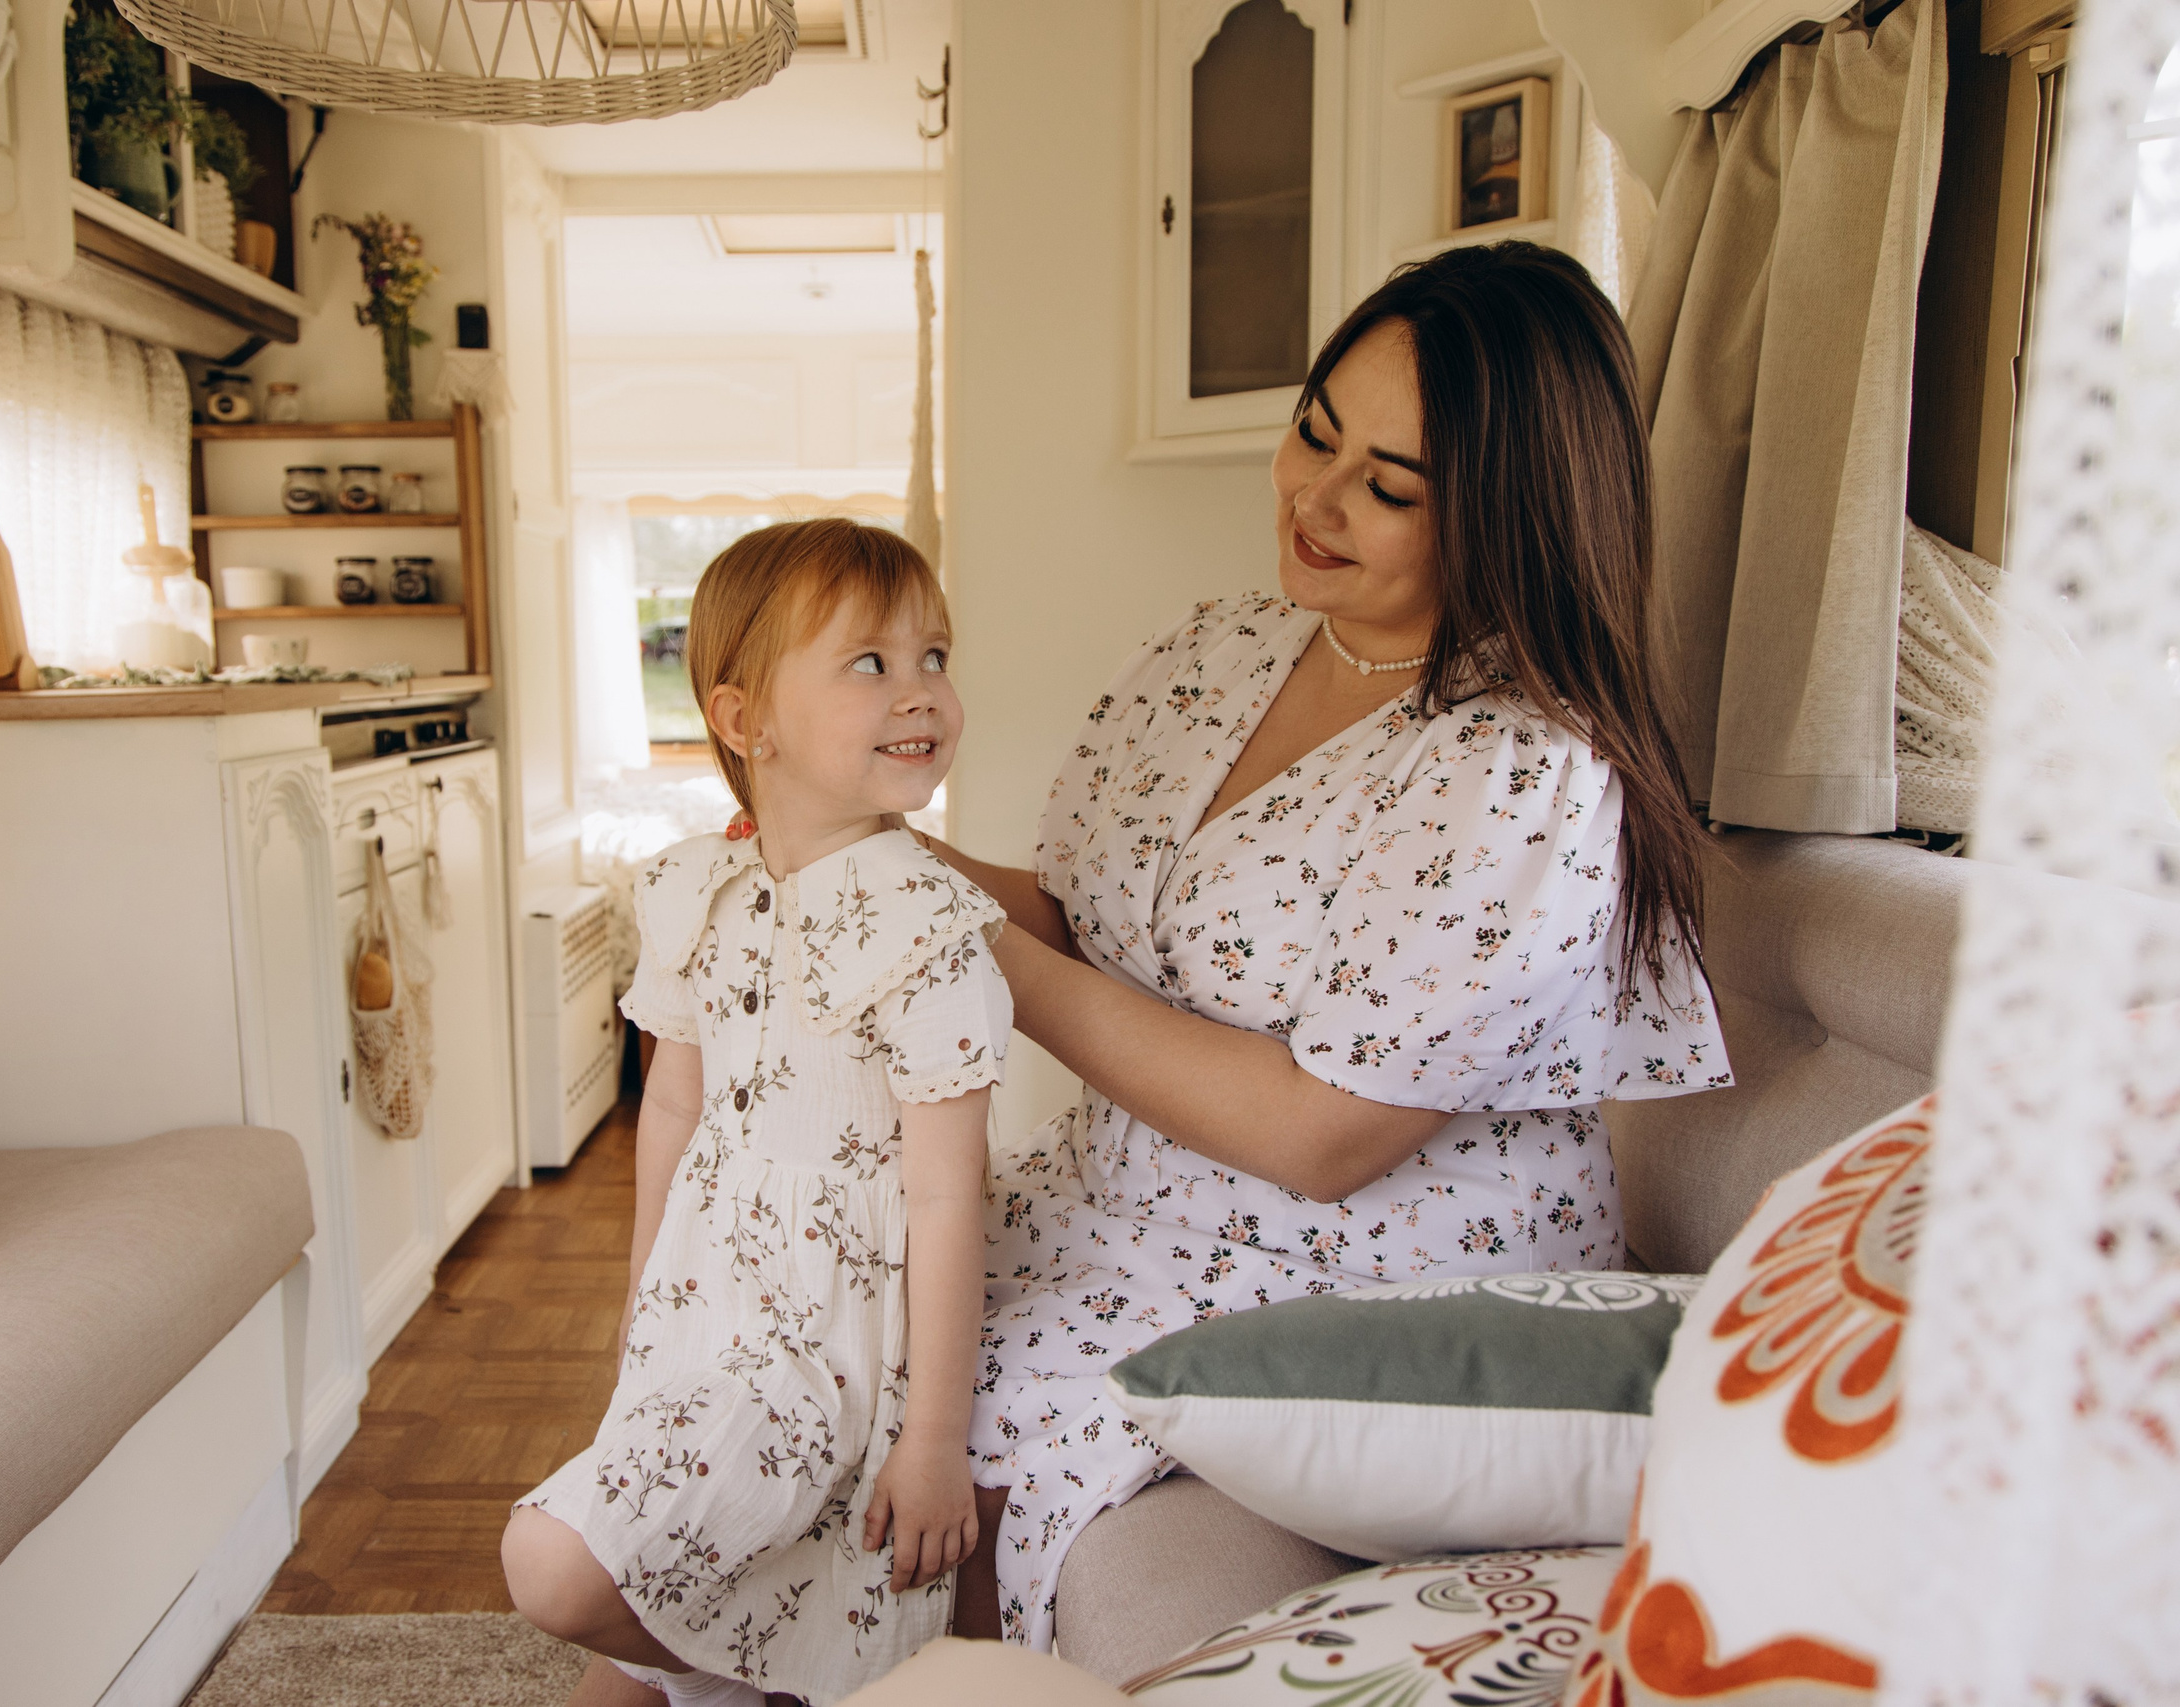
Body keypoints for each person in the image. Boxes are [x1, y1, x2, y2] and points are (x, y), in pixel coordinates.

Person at [912, 242, 1735, 1650]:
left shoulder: (1519, 766)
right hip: (1123, 1202)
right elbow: (1065, 909)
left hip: (1346, 1262)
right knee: (824, 1328)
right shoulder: (1223, 645)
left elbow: (1323, 1131)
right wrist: (876, 864)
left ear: (1512, 515)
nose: (1317, 497)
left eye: (1390, 486)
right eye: (1314, 430)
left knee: (935, 1446)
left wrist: (993, 956)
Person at [503, 520, 1012, 1707]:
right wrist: (642, 1311)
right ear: (744, 723)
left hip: (827, 1333)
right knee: (651, 1605)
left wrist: (931, 1444)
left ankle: (748, 1664)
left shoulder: (927, 928)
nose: (921, 690)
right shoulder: (694, 889)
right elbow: (671, 1106)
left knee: (555, 1563)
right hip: (702, 1303)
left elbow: (947, 1193)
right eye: (870, 663)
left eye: (933, 654)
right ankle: (730, 1675)